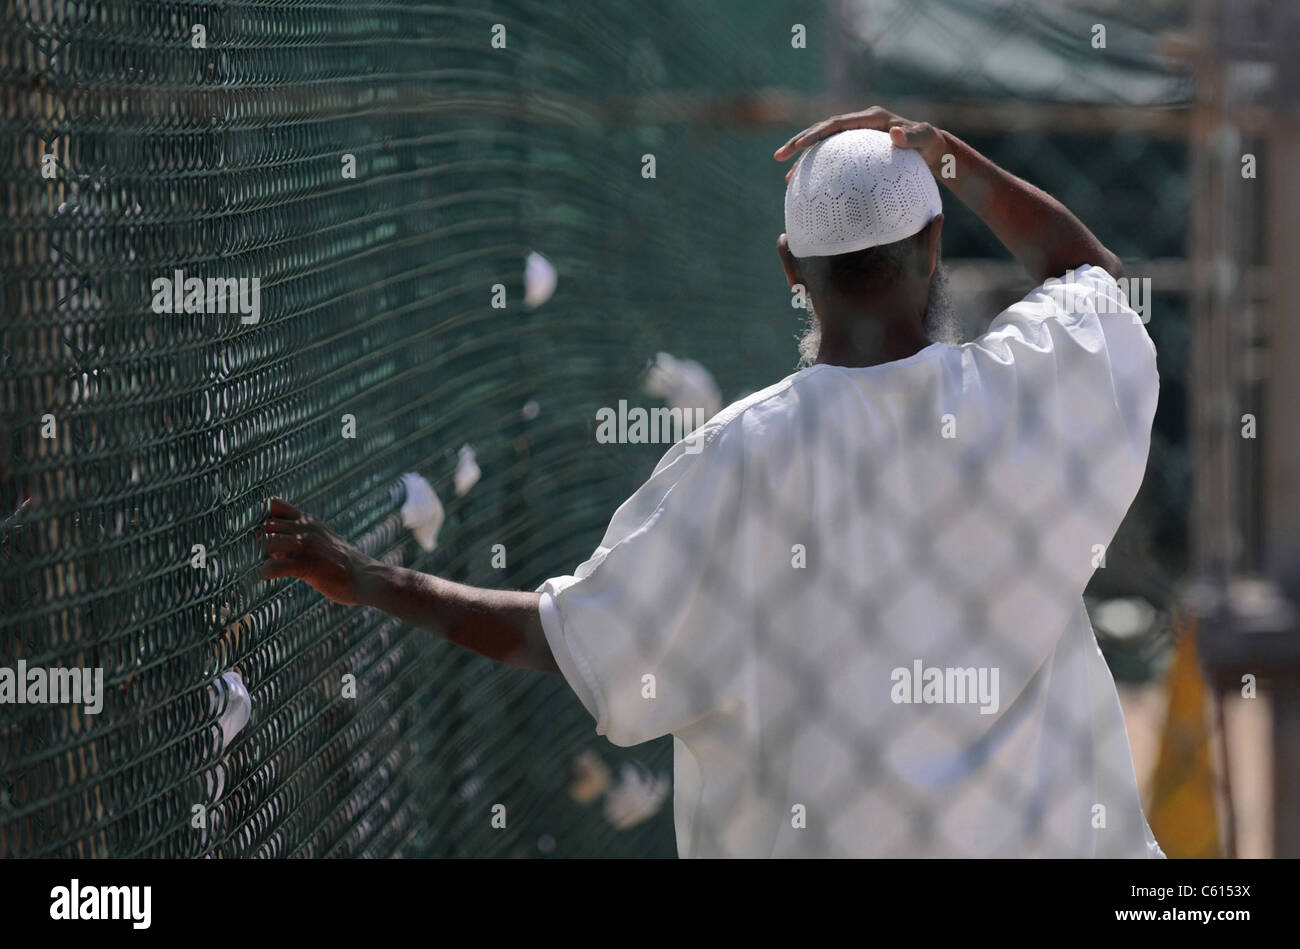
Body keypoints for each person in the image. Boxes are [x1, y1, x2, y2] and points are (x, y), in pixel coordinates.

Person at [259, 107, 1164, 858]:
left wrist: (370, 578)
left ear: (788, 268)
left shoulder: (736, 459)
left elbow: (559, 640)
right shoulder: (1025, 393)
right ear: (934, 244)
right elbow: (1092, 279)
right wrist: (948, 158)